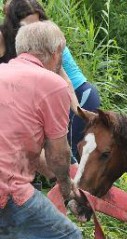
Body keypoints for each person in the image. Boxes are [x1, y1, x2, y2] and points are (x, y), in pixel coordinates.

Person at [0, 20, 85, 239]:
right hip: (6, 194)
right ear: (57, 52)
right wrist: (67, 189)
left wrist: (50, 171)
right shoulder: (53, 85)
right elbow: (59, 155)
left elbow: (19, 143)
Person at [2, 0, 101, 162]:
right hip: (45, 100)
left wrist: (78, 110)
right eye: (26, 27)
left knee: (71, 155)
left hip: (76, 95)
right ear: (14, 25)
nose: (32, 31)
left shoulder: (43, 41)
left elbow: (64, 79)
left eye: (37, 24)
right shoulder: (6, 39)